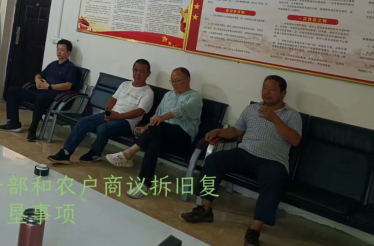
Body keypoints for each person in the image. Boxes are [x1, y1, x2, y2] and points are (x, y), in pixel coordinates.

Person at [181, 75, 302, 246]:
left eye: (272, 89)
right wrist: (218, 131)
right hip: (245, 153)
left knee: (274, 179)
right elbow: (236, 131)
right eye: (264, 87)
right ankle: (205, 209)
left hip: (273, 160)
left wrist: (275, 119)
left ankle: (254, 229)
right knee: (214, 160)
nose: (267, 92)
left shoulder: (292, 115)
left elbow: (295, 140)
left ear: (283, 93)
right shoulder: (252, 109)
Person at [106, 67, 202, 198]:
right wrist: (146, 127)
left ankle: (128, 154)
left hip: (182, 139)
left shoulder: (195, 96)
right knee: (154, 142)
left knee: (159, 127)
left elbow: (183, 109)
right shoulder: (168, 95)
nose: (174, 84)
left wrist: (163, 118)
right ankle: (144, 185)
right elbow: (157, 115)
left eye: (177, 80)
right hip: (162, 135)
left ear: (188, 80)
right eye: (172, 81)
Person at [47, 59, 154, 164]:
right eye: (135, 70)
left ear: (148, 74)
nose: (137, 73)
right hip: (112, 115)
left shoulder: (148, 92)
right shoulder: (125, 84)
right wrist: (108, 112)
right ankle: (66, 153)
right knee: (83, 122)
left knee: (103, 128)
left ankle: (95, 153)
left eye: (142, 71)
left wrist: (117, 116)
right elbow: (112, 100)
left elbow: (138, 112)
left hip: (127, 122)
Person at [0, 39, 77, 142]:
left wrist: (49, 87)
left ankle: (32, 130)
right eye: (58, 49)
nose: (59, 52)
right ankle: (13, 124)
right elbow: (39, 74)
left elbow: (68, 85)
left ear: (68, 52)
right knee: (12, 90)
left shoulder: (71, 68)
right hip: (42, 92)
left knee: (41, 97)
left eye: (62, 50)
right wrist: (37, 80)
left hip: (56, 97)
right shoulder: (53, 64)